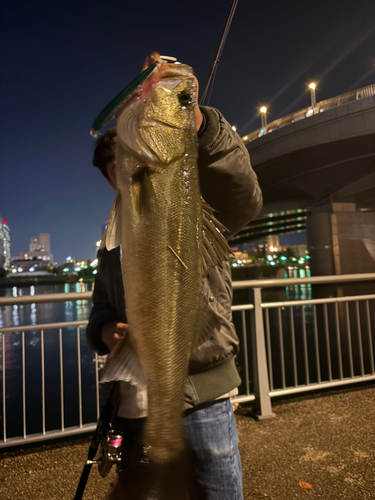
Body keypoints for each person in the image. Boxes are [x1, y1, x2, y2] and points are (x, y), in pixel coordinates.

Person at [86, 53, 262, 500]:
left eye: (122, 160)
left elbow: (246, 197)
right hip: (135, 402)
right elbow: (101, 308)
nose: (119, 174)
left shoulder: (201, 200)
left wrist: (195, 116)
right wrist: (105, 330)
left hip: (204, 396)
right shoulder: (113, 240)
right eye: (112, 170)